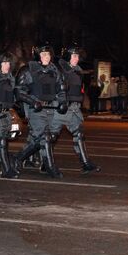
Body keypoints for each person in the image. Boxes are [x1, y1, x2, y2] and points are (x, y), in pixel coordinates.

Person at [14, 42, 67, 178]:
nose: (46, 57)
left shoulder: (55, 70)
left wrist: (62, 102)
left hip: (52, 108)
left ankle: (18, 158)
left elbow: (61, 90)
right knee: (45, 137)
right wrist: (33, 101)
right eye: (43, 54)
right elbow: (19, 92)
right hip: (35, 109)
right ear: (37, 55)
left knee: (41, 139)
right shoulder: (28, 70)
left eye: (48, 54)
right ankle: (50, 167)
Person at [52, 45, 100, 174]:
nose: (76, 58)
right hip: (61, 108)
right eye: (74, 56)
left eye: (77, 56)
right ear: (67, 57)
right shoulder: (59, 70)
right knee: (50, 137)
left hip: (74, 108)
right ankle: (43, 162)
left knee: (78, 134)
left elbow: (79, 89)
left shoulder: (78, 70)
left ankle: (85, 164)